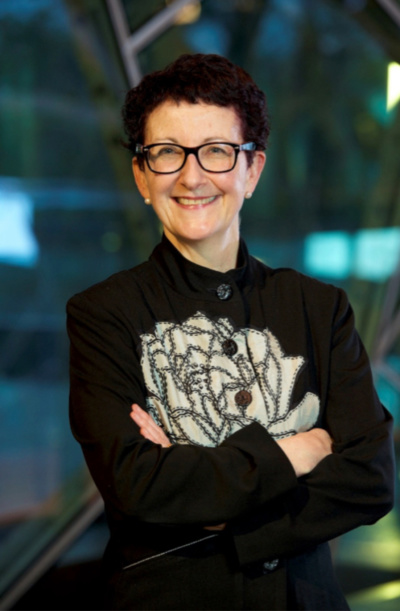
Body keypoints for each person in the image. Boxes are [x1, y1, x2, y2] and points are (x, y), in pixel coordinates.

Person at [67, 53, 395, 610]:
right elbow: (137, 485)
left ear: (253, 170)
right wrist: (295, 453)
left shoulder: (319, 307)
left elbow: (371, 479)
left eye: (216, 151)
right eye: (167, 153)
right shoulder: (103, 314)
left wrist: (221, 511)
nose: (192, 176)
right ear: (142, 175)